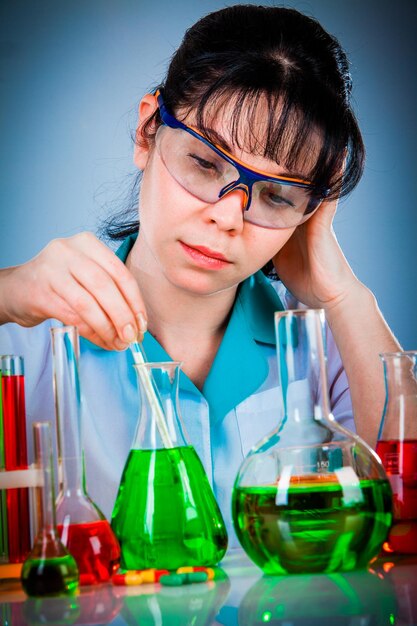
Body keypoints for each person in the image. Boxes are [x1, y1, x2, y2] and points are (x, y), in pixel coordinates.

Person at [0, 5, 401, 545]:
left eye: (277, 195)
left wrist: (345, 296)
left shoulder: (327, 355)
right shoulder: (28, 338)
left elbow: (406, 516)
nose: (227, 216)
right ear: (148, 132)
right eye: (205, 163)